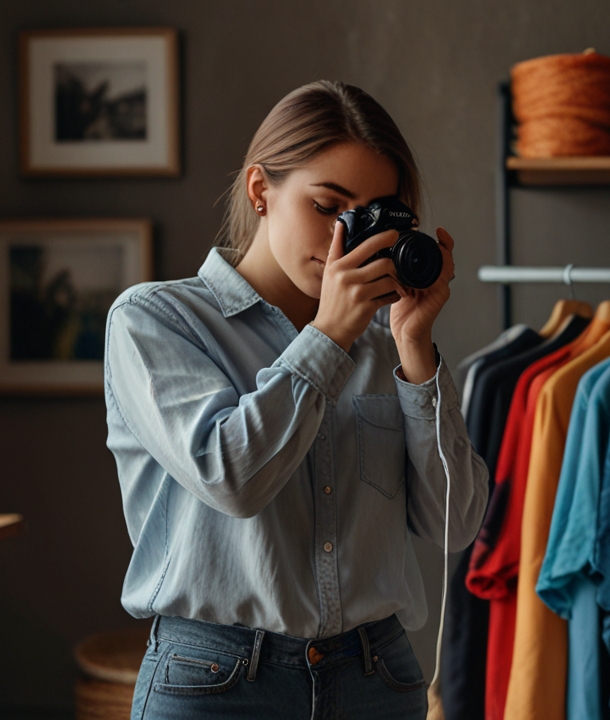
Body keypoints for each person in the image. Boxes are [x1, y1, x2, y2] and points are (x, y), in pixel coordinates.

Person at [104, 80, 490, 719]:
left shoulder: (386, 341)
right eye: (327, 205)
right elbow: (233, 478)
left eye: (371, 216)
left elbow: (457, 524)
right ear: (261, 190)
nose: (348, 238)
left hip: (376, 677)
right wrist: (330, 335)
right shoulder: (157, 320)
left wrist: (417, 351)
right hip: (217, 682)